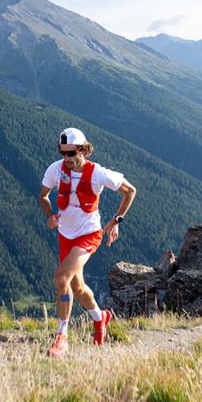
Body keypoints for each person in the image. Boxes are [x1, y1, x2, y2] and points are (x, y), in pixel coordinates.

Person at [38, 127, 136, 358]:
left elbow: (130, 191)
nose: (66, 158)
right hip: (65, 234)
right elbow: (43, 195)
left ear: (83, 150)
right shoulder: (56, 168)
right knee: (76, 287)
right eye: (62, 153)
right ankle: (100, 317)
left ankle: (62, 337)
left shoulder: (98, 173)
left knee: (61, 277)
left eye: (71, 153)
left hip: (89, 234)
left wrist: (116, 220)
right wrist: (49, 214)